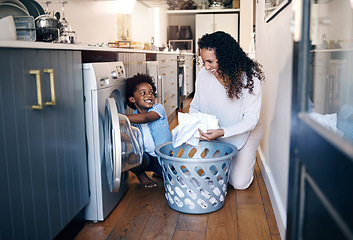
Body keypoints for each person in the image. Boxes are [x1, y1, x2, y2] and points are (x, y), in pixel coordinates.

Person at [190, 31, 265, 190]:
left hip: (246, 132)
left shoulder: (250, 78)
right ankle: (231, 163)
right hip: (217, 135)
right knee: (212, 177)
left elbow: (251, 119)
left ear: (225, 57)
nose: (206, 67)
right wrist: (194, 125)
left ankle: (244, 159)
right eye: (203, 61)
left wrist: (222, 132)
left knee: (238, 184)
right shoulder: (204, 74)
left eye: (210, 61)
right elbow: (195, 106)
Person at [125, 73, 172, 188]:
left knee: (173, 179)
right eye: (143, 93)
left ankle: (160, 172)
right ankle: (142, 176)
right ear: (132, 99)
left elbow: (145, 118)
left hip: (164, 157)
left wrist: (119, 118)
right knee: (131, 157)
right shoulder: (134, 117)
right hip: (146, 158)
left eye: (151, 92)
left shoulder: (158, 109)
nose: (149, 95)